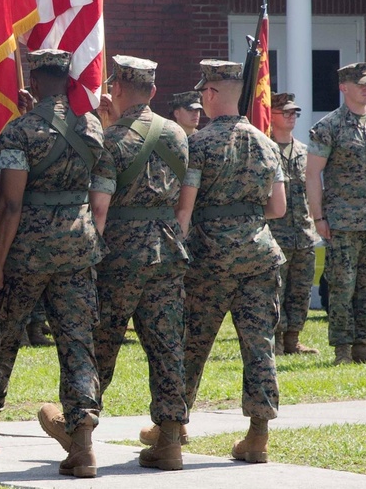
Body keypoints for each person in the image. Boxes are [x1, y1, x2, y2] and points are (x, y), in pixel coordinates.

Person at [62, 55, 190, 471]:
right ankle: (170, 440)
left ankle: (80, 433)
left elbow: (99, 208)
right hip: (168, 249)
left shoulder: (110, 139)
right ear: (152, 92)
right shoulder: (177, 134)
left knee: (102, 340)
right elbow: (184, 204)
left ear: (115, 89)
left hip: (119, 250)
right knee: (167, 344)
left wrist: (90, 255)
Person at [0, 49, 106, 478]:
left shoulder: (19, 131)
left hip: (27, 251)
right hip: (78, 248)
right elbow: (96, 193)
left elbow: (11, 202)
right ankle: (83, 445)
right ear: (66, 79)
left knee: (3, 338)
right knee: (78, 345)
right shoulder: (92, 125)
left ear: (35, 81)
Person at [177, 60, 286, 464]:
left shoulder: (198, 145)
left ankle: (173, 425)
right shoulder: (266, 142)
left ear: (208, 94)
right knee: (259, 346)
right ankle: (258, 435)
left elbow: (184, 212)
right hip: (259, 256)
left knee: (192, 343)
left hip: (209, 258)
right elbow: (278, 207)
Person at [306, 62, 366, 366]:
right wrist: (319, 218)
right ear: (344, 87)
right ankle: (342, 348)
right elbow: (312, 175)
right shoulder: (329, 126)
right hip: (342, 222)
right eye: (361, 84)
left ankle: (364, 346)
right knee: (342, 286)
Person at [268, 92, 320, 356]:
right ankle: (276, 341)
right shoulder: (264, 149)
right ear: (271, 115)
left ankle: (293, 340)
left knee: (300, 291)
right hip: (276, 235)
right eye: (285, 112)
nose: (291, 117)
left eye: (294, 113)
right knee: (276, 289)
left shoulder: (303, 150)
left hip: (303, 233)